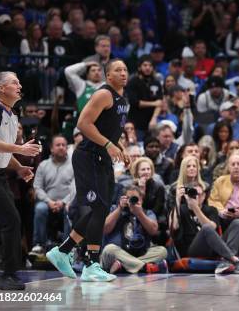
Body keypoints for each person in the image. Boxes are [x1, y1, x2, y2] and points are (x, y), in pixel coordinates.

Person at [47, 59, 131, 283]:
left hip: (102, 157)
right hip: (88, 156)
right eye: (117, 70)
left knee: (101, 209)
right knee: (99, 208)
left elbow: (110, 131)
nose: (123, 73)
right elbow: (84, 124)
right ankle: (91, 263)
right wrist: (108, 145)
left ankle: (63, 250)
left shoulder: (123, 98)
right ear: (108, 75)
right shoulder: (103, 94)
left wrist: (120, 149)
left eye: (125, 70)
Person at [0, 72, 39, 290]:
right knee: (12, 220)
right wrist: (20, 149)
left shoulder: (12, 114)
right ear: (1, 88)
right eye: (14, 82)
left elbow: (1, 151)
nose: (20, 85)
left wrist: (19, 167)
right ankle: (8, 274)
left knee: (2, 223)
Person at [169, 182, 239, 274]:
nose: (196, 197)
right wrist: (177, 200)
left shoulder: (211, 209)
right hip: (192, 249)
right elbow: (173, 227)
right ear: (186, 195)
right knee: (206, 228)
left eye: (199, 194)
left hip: (214, 246)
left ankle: (226, 261)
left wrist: (195, 208)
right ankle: (234, 260)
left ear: (204, 196)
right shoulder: (180, 209)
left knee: (238, 223)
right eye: (193, 193)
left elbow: (213, 227)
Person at [100, 185, 168, 274]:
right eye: (128, 198)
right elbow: (105, 229)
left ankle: (124, 266)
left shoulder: (147, 212)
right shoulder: (114, 209)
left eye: (134, 198)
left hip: (139, 253)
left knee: (162, 251)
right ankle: (144, 267)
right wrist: (119, 209)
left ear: (141, 200)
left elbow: (153, 231)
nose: (131, 201)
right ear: (123, 198)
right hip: (117, 253)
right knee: (109, 249)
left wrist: (140, 214)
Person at [31, 135, 75, 255]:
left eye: (63, 145)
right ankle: (38, 245)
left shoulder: (73, 165)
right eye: (58, 145)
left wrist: (64, 202)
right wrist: (49, 201)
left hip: (67, 203)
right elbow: (37, 187)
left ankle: (68, 247)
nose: (61, 147)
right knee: (40, 209)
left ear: (67, 147)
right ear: (51, 148)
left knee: (70, 209)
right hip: (47, 203)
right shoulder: (43, 165)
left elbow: (75, 188)